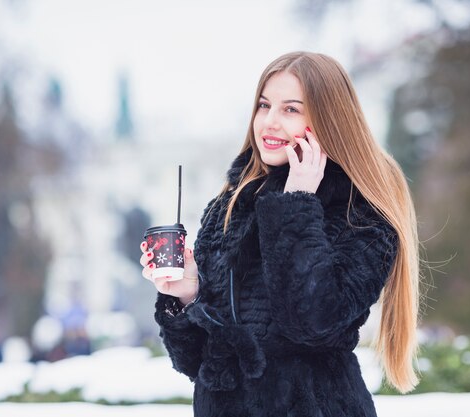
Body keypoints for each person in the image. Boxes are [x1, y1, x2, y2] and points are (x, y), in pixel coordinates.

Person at [140, 51, 420, 417]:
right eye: (264, 105)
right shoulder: (231, 205)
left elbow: (315, 323)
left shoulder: (359, 213)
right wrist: (187, 297)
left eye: (291, 109)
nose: (269, 122)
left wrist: (298, 203)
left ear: (328, 120)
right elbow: (200, 363)